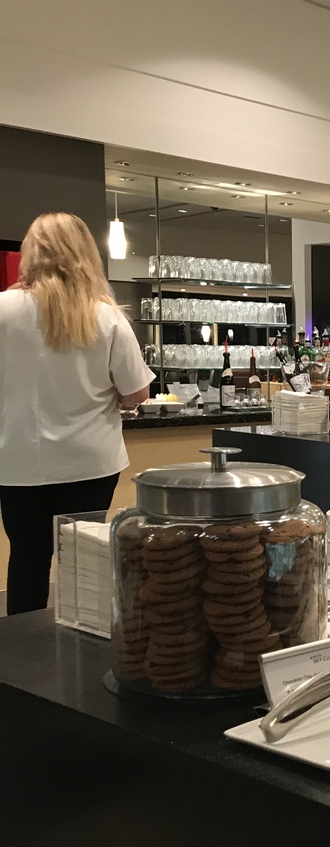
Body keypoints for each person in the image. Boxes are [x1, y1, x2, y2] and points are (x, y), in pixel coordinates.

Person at [0, 212, 153, 615]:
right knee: (83, 557)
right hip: (89, 460)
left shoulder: (2, 310)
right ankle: (82, 638)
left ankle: (23, 646)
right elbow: (137, 393)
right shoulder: (105, 315)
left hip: (17, 461)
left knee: (27, 556)